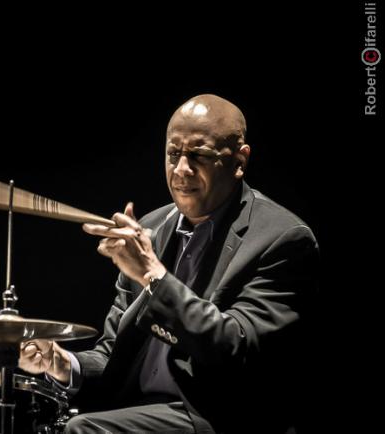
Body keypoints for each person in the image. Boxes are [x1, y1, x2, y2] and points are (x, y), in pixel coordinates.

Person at [19, 94, 319, 433]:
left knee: (83, 429)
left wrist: (153, 274)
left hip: (218, 418)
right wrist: (63, 363)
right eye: (173, 154)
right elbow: (112, 354)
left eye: (198, 155)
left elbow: (235, 347)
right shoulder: (153, 228)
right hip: (139, 410)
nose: (181, 169)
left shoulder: (282, 238)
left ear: (239, 160)